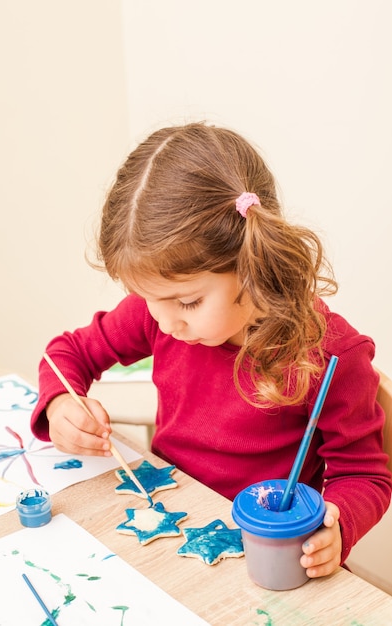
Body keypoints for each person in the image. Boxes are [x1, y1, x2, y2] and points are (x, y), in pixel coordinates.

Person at [31, 122, 391, 579]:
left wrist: (337, 527)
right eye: (149, 300)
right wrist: (62, 403)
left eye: (187, 302)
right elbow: (66, 354)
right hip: (168, 522)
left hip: (263, 558)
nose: (164, 322)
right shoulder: (160, 313)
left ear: (253, 265)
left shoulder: (332, 355)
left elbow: (365, 476)